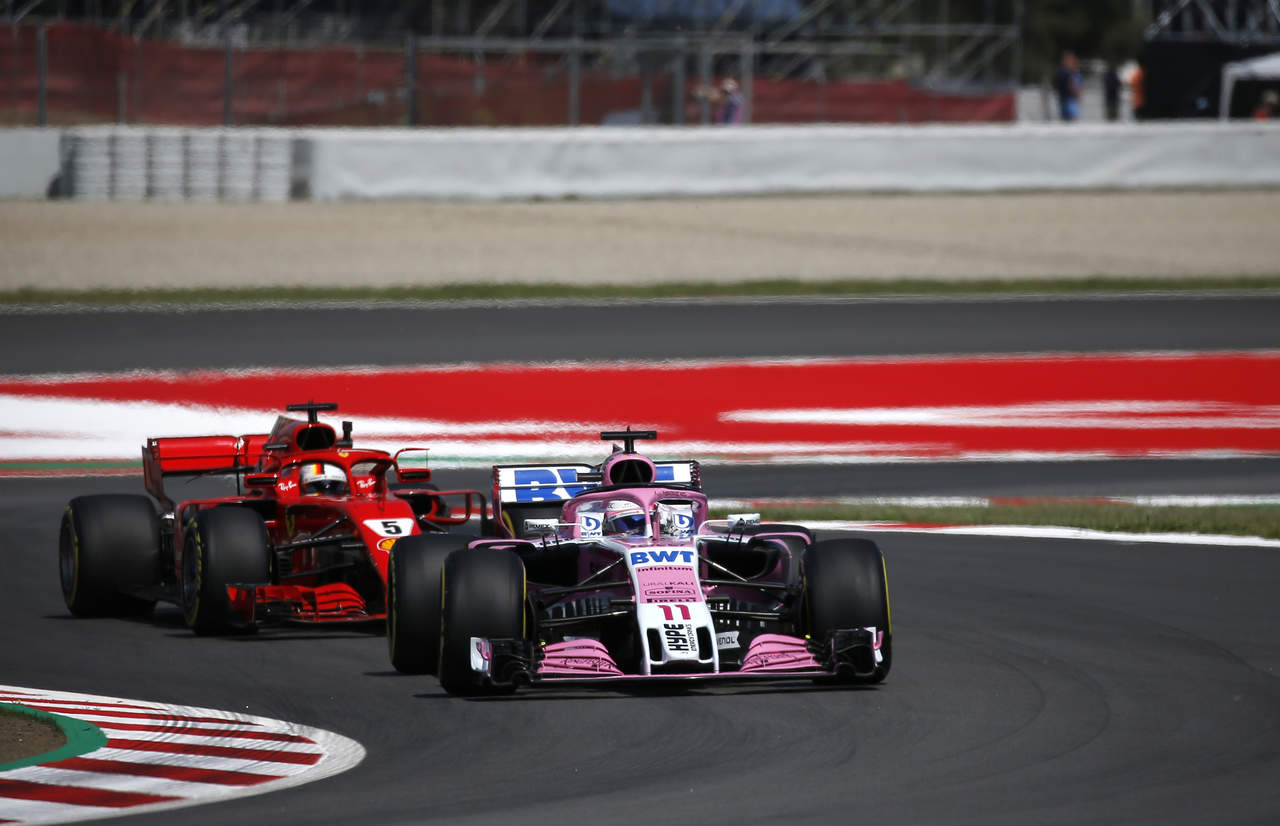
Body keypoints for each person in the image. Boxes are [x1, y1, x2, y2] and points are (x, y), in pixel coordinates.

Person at [1053, 51, 1083, 122]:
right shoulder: (1065, 73)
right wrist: (1076, 94)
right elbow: (1071, 85)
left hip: (1067, 99)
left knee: (1068, 119)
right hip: (1068, 99)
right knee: (1071, 119)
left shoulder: (1069, 72)